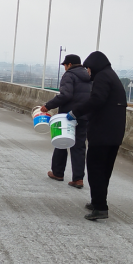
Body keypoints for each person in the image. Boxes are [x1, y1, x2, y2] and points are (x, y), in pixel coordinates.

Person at [70, 51, 128, 221]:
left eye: (88, 68)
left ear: (93, 65)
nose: (88, 72)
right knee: (104, 170)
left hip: (102, 133)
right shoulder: (112, 75)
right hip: (114, 134)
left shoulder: (102, 77)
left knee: (95, 169)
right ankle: (98, 201)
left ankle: (100, 207)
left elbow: (96, 100)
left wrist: (75, 112)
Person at [40, 54, 91, 188]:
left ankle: (58, 172)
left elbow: (66, 95)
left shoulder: (69, 75)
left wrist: (48, 105)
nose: (64, 68)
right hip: (84, 115)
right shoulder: (89, 76)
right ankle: (78, 179)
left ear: (69, 65)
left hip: (67, 116)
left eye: (65, 65)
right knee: (79, 147)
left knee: (61, 141)